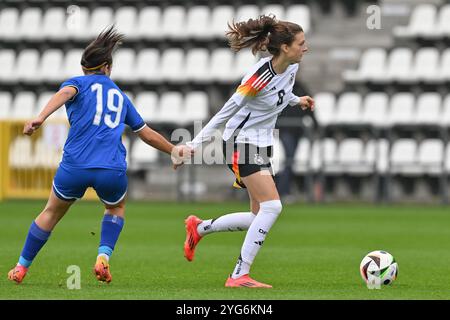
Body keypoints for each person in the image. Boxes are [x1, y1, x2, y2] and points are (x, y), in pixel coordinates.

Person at [7, 26, 192, 284]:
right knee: (115, 208)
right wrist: (173, 150)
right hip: (111, 169)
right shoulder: (120, 96)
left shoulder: (77, 83)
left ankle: (20, 268)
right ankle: (103, 257)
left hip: (75, 166)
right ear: (107, 67)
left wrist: (40, 117)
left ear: (85, 68)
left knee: (50, 212)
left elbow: (64, 94)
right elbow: (146, 132)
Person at [181, 15, 315, 288]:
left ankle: (199, 228)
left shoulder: (290, 66)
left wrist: (296, 100)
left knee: (258, 216)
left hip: (262, 144)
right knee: (273, 206)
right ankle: (238, 275)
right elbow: (224, 113)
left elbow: (279, 93)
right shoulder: (256, 78)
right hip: (240, 142)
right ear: (285, 48)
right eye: (301, 43)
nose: (306, 47)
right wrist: (193, 146)